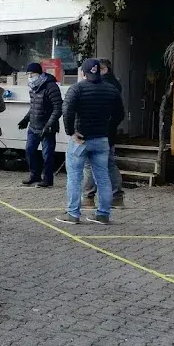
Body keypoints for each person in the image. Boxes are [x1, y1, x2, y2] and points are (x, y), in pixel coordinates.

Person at [57, 58, 125, 225]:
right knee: (103, 177)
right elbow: (120, 114)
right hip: (102, 139)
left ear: (83, 73)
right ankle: (103, 214)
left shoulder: (76, 88)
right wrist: (108, 130)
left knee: (74, 177)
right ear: (100, 71)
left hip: (81, 139)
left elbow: (67, 110)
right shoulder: (111, 89)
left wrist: (71, 132)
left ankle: (73, 214)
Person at [82, 58, 125, 208]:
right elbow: (119, 114)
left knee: (90, 165)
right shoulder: (114, 85)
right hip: (107, 133)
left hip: (95, 132)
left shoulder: (101, 86)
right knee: (109, 164)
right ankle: (116, 197)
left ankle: (88, 197)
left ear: (103, 69)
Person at [18, 62, 63, 188]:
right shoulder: (33, 87)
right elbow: (34, 106)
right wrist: (26, 119)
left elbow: (58, 108)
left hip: (47, 127)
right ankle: (35, 175)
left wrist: (49, 125)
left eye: (32, 74)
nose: (30, 77)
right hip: (33, 126)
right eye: (28, 74)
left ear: (39, 74)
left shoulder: (51, 86)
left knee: (47, 155)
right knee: (30, 151)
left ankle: (47, 179)